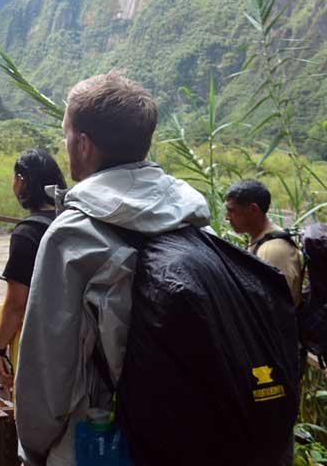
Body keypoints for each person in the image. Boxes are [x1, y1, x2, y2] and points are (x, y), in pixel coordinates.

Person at [14, 72, 211, 466]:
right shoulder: (195, 219)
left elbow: (46, 369)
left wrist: (34, 449)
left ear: (83, 144)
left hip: (96, 446)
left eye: (67, 133)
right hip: (190, 435)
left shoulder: (73, 235)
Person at [0, 149, 66, 391]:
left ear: (22, 180)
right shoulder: (72, 220)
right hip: (72, 333)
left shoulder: (27, 233)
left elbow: (16, 303)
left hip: (38, 340)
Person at [225, 179, 303, 305]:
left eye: (232, 210)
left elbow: (276, 307)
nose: (227, 217)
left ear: (253, 209)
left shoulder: (271, 250)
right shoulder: (260, 239)